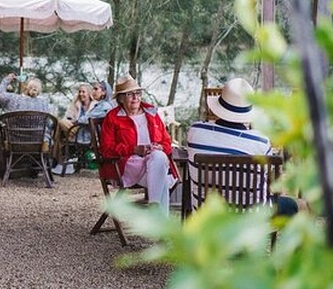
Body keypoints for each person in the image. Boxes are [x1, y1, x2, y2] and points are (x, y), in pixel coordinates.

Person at [186, 77, 297, 215]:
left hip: (206, 218)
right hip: (249, 220)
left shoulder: (196, 131)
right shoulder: (261, 142)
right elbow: (268, 182)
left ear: (218, 107)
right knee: (299, 205)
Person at [100, 75, 178, 215]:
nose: (135, 97)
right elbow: (106, 149)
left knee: (158, 155)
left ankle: (154, 205)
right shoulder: (112, 117)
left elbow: (167, 142)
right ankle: (161, 222)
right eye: (130, 94)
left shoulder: (151, 113)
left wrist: (161, 147)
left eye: (138, 93)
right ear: (121, 98)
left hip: (154, 164)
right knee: (163, 180)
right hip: (129, 165)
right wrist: (134, 149)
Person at [52, 83, 96, 174]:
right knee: (60, 125)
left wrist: (75, 123)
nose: (81, 94)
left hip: (86, 133)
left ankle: (57, 161)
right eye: (79, 92)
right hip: (75, 130)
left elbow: (90, 120)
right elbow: (69, 116)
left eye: (83, 92)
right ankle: (60, 161)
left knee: (60, 126)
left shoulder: (95, 105)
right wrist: (74, 103)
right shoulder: (77, 103)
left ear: (89, 93)